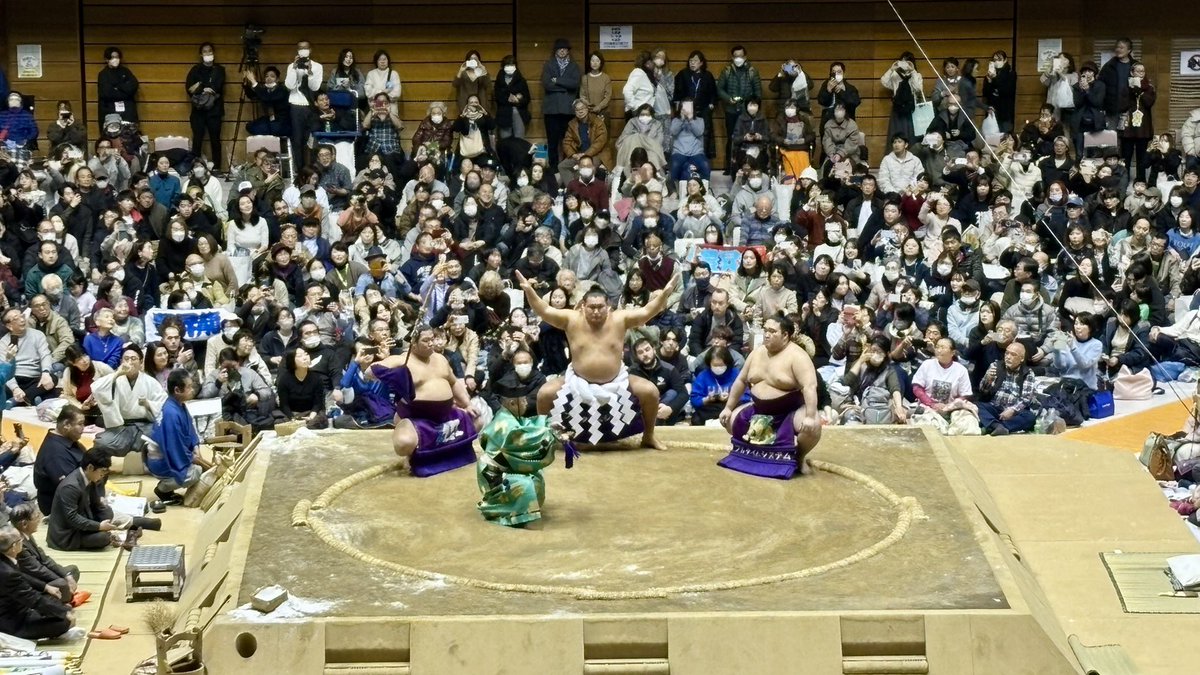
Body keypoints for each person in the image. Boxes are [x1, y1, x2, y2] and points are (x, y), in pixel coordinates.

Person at [517, 269, 679, 449]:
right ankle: (545, 437)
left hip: (618, 380)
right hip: (576, 381)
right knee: (544, 394)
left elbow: (647, 311)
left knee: (651, 392)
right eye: (591, 307)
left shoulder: (620, 319)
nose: (596, 311)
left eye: (600, 307)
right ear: (582, 306)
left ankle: (649, 436)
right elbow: (544, 309)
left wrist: (665, 294)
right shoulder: (571, 319)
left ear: (608, 306)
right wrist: (529, 291)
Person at [366, 325, 480, 476]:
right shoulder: (402, 360)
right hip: (417, 417)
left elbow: (453, 383)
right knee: (403, 443)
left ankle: (451, 453)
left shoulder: (440, 358)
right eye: (426, 340)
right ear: (413, 344)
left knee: (477, 419)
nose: (431, 343)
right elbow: (369, 372)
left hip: (446, 416)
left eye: (432, 339)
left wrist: (467, 404)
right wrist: (390, 365)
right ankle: (412, 454)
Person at [717, 316, 820, 479]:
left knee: (813, 427)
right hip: (758, 409)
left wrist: (810, 416)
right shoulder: (757, 352)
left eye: (772, 331)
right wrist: (728, 408)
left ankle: (798, 457)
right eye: (765, 330)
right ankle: (754, 453)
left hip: (788, 411)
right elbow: (741, 380)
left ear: (785, 335)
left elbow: (810, 386)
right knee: (728, 420)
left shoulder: (797, 356)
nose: (766, 335)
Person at [146, 370, 213, 510]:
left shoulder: (178, 405)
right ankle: (163, 489)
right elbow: (174, 448)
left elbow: (190, 429)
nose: (192, 389)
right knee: (196, 472)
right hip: (161, 461)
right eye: (189, 386)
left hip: (169, 454)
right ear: (177, 390)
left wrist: (195, 447)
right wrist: (192, 459)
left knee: (199, 466)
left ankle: (168, 485)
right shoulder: (171, 412)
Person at [0, 526, 77, 640]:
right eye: (20, 540)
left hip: (15, 607)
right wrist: (63, 612)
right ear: (14, 547)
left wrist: (45, 587)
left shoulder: (5, 561)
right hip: (11, 621)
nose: (22, 541)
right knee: (64, 622)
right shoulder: (8, 572)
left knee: (58, 605)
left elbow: (22, 576)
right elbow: (33, 599)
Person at [91, 344, 166, 458]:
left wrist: (148, 404)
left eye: (134, 358)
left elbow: (163, 405)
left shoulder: (150, 382)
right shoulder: (115, 379)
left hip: (145, 427)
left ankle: (149, 461)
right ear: (121, 361)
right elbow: (96, 389)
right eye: (126, 359)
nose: (129, 361)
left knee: (164, 439)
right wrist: (117, 373)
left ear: (141, 362)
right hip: (121, 429)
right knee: (101, 443)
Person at [8, 504, 79, 606]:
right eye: (36, 517)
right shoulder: (18, 544)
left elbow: (45, 559)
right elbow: (38, 570)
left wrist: (66, 576)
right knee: (62, 584)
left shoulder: (26, 534)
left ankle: (62, 595)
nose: (39, 520)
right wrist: (63, 580)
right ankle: (56, 600)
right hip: (33, 583)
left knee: (72, 571)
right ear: (24, 524)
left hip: (40, 575)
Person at [31, 405, 87, 516]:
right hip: (59, 506)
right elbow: (69, 488)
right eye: (80, 424)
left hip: (77, 494)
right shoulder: (55, 453)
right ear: (66, 425)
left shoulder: (68, 439)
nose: (83, 428)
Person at [716, 46, 762, 174]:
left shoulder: (752, 72)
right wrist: (728, 99)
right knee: (732, 138)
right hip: (731, 110)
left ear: (745, 57)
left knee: (747, 139)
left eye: (740, 56)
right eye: (735, 56)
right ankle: (730, 167)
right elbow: (719, 89)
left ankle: (748, 165)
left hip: (747, 113)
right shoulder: (727, 71)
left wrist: (751, 105)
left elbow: (758, 93)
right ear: (732, 57)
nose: (738, 58)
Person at [976, 341, 1037, 435]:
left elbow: (1026, 399)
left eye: (1013, 355)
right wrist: (988, 380)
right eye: (1007, 353)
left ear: (1021, 359)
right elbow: (982, 391)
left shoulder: (1027, 373)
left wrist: (1013, 410)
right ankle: (997, 426)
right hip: (994, 408)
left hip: (1013, 412)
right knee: (977, 405)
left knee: (1030, 417)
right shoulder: (995, 366)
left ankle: (993, 426)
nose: (1008, 357)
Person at [628, 337, 688, 426]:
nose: (645, 354)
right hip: (641, 407)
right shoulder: (632, 372)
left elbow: (683, 394)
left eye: (647, 350)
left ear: (654, 350)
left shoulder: (669, 369)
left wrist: (670, 408)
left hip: (662, 406)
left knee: (672, 393)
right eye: (640, 352)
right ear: (636, 356)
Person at [185, 43, 226, 171]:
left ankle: (217, 168)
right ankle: (195, 167)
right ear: (200, 54)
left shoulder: (219, 70)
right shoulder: (195, 70)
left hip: (214, 110)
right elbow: (190, 88)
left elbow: (217, 86)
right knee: (197, 139)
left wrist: (201, 87)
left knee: (215, 139)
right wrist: (204, 88)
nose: (208, 54)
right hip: (198, 110)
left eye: (210, 51)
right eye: (205, 51)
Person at [541, 39, 581, 168]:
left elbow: (574, 84)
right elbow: (547, 85)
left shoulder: (574, 66)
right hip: (551, 111)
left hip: (568, 111)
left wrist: (557, 80)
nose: (562, 51)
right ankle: (553, 170)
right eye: (560, 49)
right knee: (552, 142)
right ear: (556, 51)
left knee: (567, 142)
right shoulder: (549, 65)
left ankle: (565, 167)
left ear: (568, 51)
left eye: (565, 49)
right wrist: (565, 86)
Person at [285, 40, 323, 169]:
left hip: (311, 106)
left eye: (305, 47)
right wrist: (294, 69)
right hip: (296, 104)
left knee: (312, 138)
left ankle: (313, 168)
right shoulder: (292, 66)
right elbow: (289, 86)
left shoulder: (317, 66)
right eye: (300, 48)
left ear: (310, 50)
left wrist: (310, 72)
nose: (303, 50)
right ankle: (300, 169)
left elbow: (315, 87)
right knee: (297, 139)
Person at [96, 47, 138, 134]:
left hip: (128, 111)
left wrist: (117, 87)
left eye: (117, 57)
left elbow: (133, 87)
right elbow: (106, 93)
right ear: (107, 59)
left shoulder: (126, 71)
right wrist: (124, 91)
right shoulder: (103, 74)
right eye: (112, 57)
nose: (115, 59)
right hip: (110, 110)